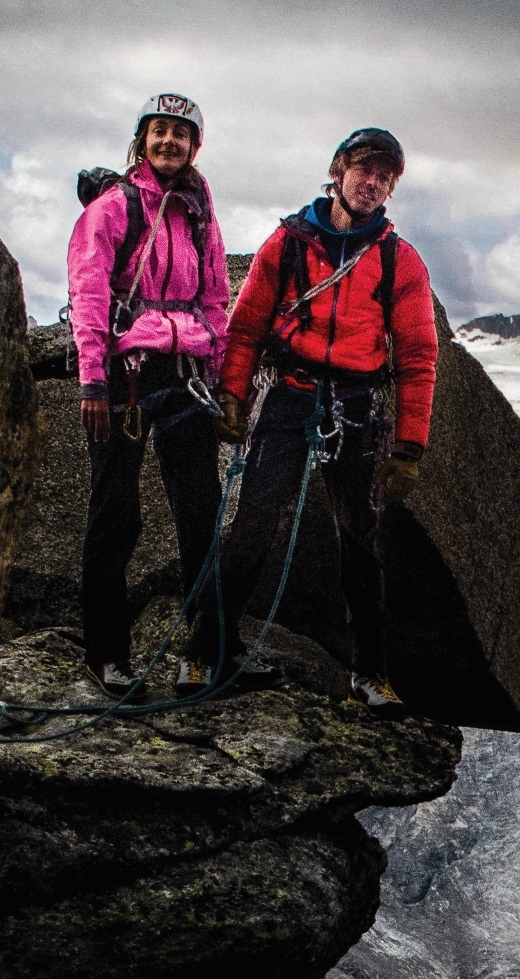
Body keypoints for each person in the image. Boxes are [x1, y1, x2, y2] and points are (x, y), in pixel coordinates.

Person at [208, 127, 437, 711]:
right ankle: (209, 648)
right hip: (292, 394)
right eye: (366, 170)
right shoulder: (286, 244)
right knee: (254, 523)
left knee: (360, 540)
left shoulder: (397, 259)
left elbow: (417, 357)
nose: (375, 183)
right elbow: (246, 326)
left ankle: (371, 672)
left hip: (356, 407)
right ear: (338, 170)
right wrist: (233, 394)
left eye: (387, 177)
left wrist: (409, 446)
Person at [65, 93, 238, 695]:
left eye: (181, 134)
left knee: (200, 511)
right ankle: (105, 654)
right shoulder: (114, 207)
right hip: (123, 374)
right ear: (141, 141)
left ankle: (211, 647)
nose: (170, 142)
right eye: (158, 132)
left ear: (195, 146)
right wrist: (90, 381)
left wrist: (215, 371)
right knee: (116, 514)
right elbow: (88, 296)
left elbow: (214, 295)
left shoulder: (198, 212)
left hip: (183, 371)